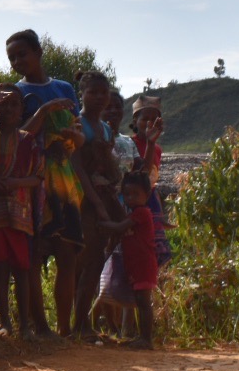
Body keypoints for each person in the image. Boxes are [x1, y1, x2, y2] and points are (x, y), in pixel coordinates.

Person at [6, 29, 83, 336]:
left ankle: (64, 329)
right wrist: (44, 112)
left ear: (39, 52)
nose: (17, 61)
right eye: (12, 58)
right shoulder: (16, 92)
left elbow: (79, 134)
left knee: (67, 254)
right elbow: (17, 135)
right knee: (34, 254)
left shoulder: (64, 88)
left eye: (22, 54)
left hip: (64, 180)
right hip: (32, 181)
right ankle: (40, 327)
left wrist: (72, 138)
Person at [0, 84, 59, 338]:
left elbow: (38, 177)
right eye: (3, 103)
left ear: (22, 109)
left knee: (22, 269)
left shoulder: (29, 141)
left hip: (20, 214)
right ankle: (5, 323)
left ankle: (24, 325)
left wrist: (13, 183)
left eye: (14, 104)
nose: (9, 108)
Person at [73, 70, 128, 341]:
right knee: (88, 260)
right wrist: (97, 202)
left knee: (96, 262)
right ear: (81, 94)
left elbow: (110, 168)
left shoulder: (105, 128)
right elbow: (78, 167)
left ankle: (84, 325)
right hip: (84, 200)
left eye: (103, 92)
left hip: (104, 195)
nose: (98, 97)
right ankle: (78, 325)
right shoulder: (78, 124)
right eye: (92, 92)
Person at [116, 171, 159, 349]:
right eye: (127, 194)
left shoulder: (141, 213)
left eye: (135, 194)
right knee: (140, 301)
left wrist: (103, 225)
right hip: (138, 266)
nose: (130, 198)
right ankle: (142, 336)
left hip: (143, 265)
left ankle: (146, 339)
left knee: (143, 302)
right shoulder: (134, 212)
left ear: (147, 195)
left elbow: (119, 228)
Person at [130, 95, 174, 266]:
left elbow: (152, 179)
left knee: (153, 249)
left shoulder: (157, 149)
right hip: (134, 199)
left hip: (151, 198)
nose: (149, 123)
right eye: (144, 119)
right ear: (135, 120)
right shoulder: (129, 144)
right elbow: (141, 174)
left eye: (153, 119)